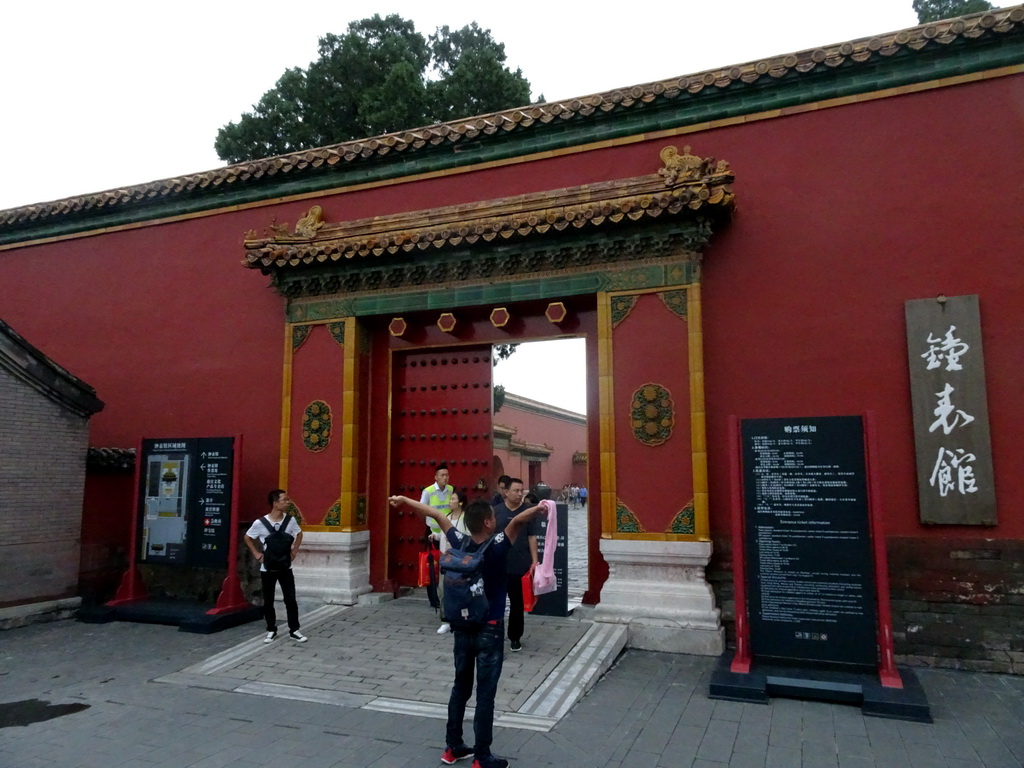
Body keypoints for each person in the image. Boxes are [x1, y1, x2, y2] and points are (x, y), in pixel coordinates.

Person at [388, 493, 545, 768]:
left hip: (462, 627)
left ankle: (453, 746)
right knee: (485, 694)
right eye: (493, 518)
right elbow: (519, 520)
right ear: (487, 522)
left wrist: (405, 501)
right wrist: (542, 508)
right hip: (490, 628)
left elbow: (436, 515)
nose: (497, 521)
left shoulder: (461, 542)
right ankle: (482, 757)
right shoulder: (497, 546)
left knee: (460, 687)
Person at [244, 489, 307, 643]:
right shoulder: (260, 523)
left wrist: (294, 552)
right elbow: (247, 537)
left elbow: (299, 534)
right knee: (269, 599)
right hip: (268, 567)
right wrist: (257, 554)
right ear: (275, 503)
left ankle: (295, 629)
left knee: (290, 599)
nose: (287, 502)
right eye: (284, 500)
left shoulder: (290, 521)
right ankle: (271, 629)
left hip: (285, 566)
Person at [492, 478, 540, 652]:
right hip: (499, 564)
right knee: (496, 602)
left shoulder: (528, 511)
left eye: (522, 491)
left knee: (517, 604)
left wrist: (535, 561)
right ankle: (495, 635)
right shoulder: (496, 511)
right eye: (516, 491)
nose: (520, 494)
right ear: (506, 492)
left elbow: (532, 536)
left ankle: (515, 637)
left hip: (520, 564)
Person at [436, 489, 470, 635]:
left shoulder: (466, 519)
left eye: (453, 499)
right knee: (442, 589)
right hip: (446, 558)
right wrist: (435, 536)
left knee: (460, 590)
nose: (450, 502)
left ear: (460, 502)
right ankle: (445, 620)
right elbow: (442, 534)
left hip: (459, 560)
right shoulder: (447, 517)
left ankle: (461, 618)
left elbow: (468, 538)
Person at [420, 464, 454, 542]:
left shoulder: (451, 489)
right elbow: (421, 509)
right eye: (442, 475)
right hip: (432, 531)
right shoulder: (428, 491)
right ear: (436, 477)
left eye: (447, 475)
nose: (445, 478)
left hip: (447, 529)